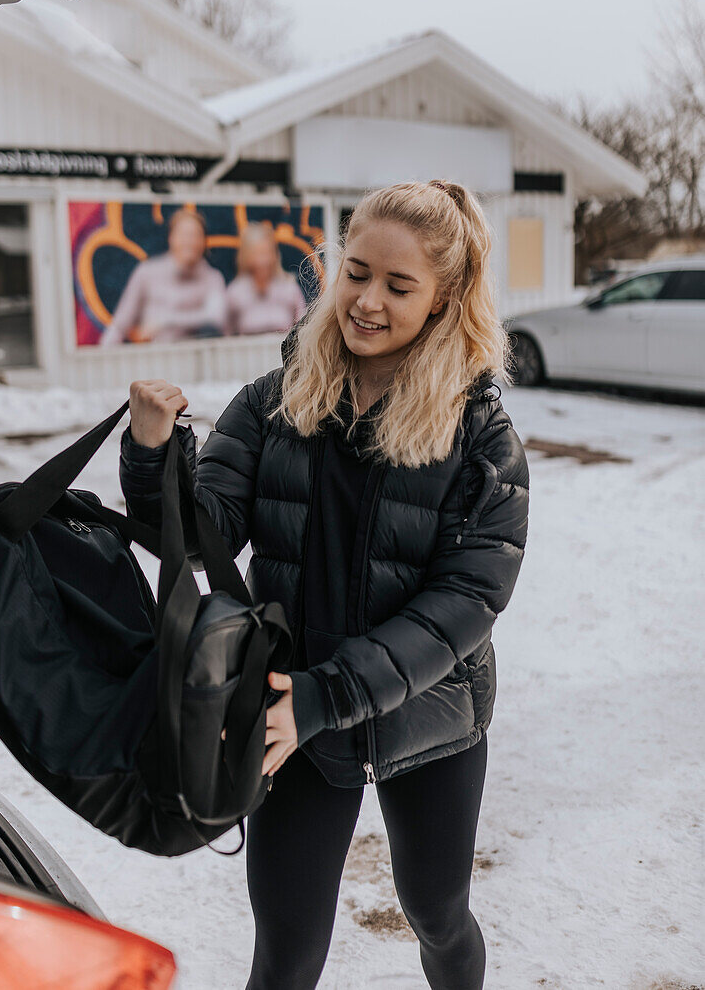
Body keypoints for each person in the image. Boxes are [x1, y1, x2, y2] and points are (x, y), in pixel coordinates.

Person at [119, 179, 530, 990]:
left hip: (425, 717)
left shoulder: (479, 434)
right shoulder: (277, 401)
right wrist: (152, 455)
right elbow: (202, 539)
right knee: (287, 945)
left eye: (398, 285)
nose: (367, 301)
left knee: (437, 915)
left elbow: (464, 605)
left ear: (446, 299)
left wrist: (327, 696)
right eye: (357, 273)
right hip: (290, 712)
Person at [100, 208, 227, 345]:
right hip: (154, 358)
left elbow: (216, 318)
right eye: (184, 235)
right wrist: (102, 358)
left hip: (197, 360)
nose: (190, 242)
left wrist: (165, 320)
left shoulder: (213, 278)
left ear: (204, 241)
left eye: (195, 235)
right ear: (171, 238)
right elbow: (120, 325)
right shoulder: (147, 272)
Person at [224, 221, 307, 336]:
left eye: (267, 252)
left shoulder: (289, 288)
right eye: (257, 253)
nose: (263, 260)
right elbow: (226, 333)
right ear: (246, 256)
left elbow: (303, 326)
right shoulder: (235, 292)